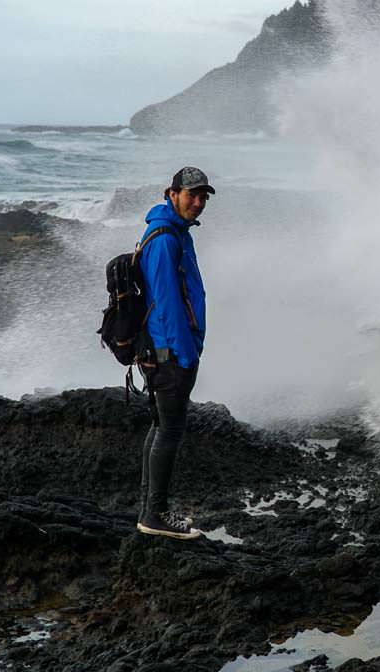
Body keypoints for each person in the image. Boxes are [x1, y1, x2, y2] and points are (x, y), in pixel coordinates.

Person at [135, 166, 213, 540]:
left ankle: (148, 508)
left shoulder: (176, 231)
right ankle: (155, 514)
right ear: (172, 193)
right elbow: (166, 303)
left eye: (203, 197)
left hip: (166, 349)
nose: (197, 203)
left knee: (161, 426)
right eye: (191, 195)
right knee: (170, 429)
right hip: (169, 351)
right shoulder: (165, 237)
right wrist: (185, 355)